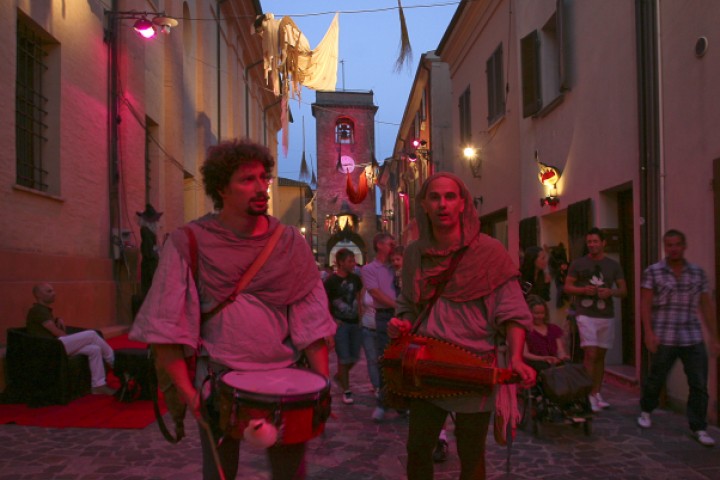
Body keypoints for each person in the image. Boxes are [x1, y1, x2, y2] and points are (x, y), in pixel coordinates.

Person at [130, 139, 336, 480]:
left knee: (291, 474)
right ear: (221, 189)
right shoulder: (189, 242)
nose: (261, 188)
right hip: (219, 380)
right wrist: (189, 394)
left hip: (286, 378)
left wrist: (322, 386)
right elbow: (164, 327)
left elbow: (311, 322)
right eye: (247, 180)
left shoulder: (289, 243)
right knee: (220, 474)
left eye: (263, 178)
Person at [388, 172, 535, 480]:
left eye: (450, 197)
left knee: (471, 455)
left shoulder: (489, 252)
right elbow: (408, 304)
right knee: (418, 450)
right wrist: (400, 322)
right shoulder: (415, 253)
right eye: (435, 197)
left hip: (474, 368)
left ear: (463, 204)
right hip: (426, 367)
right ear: (424, 205)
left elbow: (512, 311)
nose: (442, 204)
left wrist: (518, 357)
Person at [637, 229, 720, 447]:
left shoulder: (697, 273)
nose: (673, 248)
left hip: (691, 335)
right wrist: (648, 332)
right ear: (665, 247)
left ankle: (699, 427)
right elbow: (645, 303)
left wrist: (714, 336)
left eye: (677, 244)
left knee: (699, 383)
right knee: (656, 378)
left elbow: (706, 305)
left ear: (684, 246)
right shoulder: (653, 272)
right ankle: (646, 409)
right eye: (669, 245)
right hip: (664, 334)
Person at [564, 227, 627, 412]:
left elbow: (624, 291)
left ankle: (596, 393)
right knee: (590, 354)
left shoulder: (613, 266)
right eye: (589, 242)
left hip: (605, 315)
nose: (592, 245)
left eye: (595, 241)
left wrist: (611, 292)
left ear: (603, 243)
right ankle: (586, 394)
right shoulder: (578, 263)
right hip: (585, 314)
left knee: (600, 356)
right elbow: (568, 287)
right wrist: (583, 290)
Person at [26, 283, 115, 395]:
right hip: (50, 348)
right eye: (49, 291)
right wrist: (66, 333)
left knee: (95, 349)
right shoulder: (38, 311)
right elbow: (59, 334)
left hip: (54, 345)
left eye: (53, 290)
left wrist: (58, 319)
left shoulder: (44, 310)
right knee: (91, 334)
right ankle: (115, 363)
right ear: (38, 295)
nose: (54, 293)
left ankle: (98, 385)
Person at [360, 232, 398, 422]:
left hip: (402, 316)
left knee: (402, 360)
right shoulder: (369, 269)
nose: (394, 246)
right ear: (380, 245)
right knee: (385, 360)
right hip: (385, 317)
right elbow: (375, 293)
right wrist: (397, 305)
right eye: (391, 243)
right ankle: (383, 403)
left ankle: (402, 402)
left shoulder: (396, 266)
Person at [324, 248, 363, 405]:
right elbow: (325, 303)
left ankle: (341, 375)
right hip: (341, 324)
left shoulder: (355, 279)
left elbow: (359, 298)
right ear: (340, 262)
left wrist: (360, 316)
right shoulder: (331, 281)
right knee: (344, 357)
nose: (353, 264)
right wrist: (331, 319)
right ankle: (346, 390)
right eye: (350, 261)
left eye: (353, 260)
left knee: (355, 356)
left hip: (355, 323)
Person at [523, 295, 570, 371]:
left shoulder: (553, 329)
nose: (540, 316)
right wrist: (544, 358)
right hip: (535, 365)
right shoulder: (524, 330)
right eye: (536, 313)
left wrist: (563, 357)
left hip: (553, 364)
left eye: (542, 313)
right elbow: (525, 354)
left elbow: (560, 350)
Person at [136, 203, 163, 301]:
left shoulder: (149, 232)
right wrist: (156, 250)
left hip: (151, 265)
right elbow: (149, 251)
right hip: (149, 266)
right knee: (149, 293)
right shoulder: (145, 231)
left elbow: (151, 248)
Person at [359, 288, 380, 397]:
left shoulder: (387, 284)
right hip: (367, 327)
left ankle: (386, 386)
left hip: (383, 328)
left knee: (383, 359)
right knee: (372, 359)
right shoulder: (365, 288)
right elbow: (360, 305)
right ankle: (377, 387)